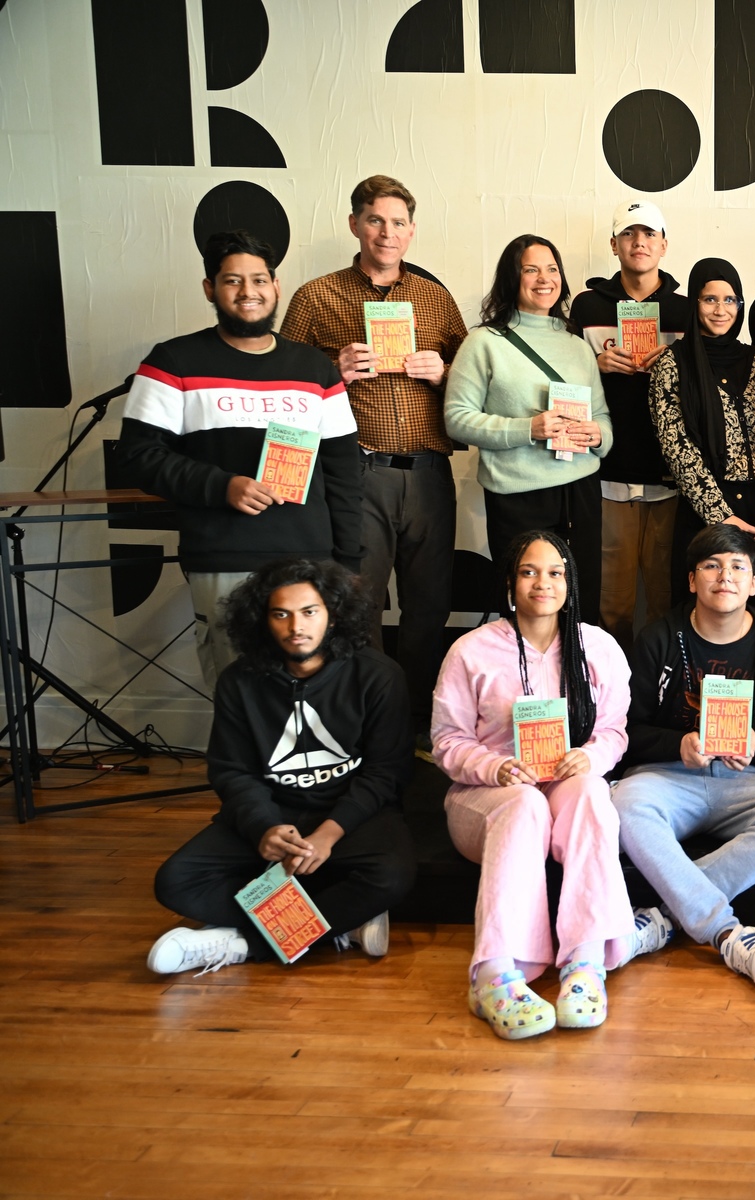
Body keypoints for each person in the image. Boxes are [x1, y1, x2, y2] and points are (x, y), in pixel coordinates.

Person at [432, 531, 663, 1040]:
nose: (543, 583)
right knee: (523, 807)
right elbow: (447, 741)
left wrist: (590, 756)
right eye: (529, 571)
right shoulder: (470, 651)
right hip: (486, 798)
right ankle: (495, 973)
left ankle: (585, 966)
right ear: (510, 583)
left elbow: (614, 732)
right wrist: (492, 768)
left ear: (570, 582)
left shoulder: (598, 648)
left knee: (591, 795)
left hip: (560, 785)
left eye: (555, 572)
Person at [120, 229, 362, 688]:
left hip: (310, 562)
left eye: (259, 280)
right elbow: (138, 456)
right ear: (210, 289)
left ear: (276, 286)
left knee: (317, 696)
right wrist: (221, 486)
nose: (248, 292)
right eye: (232, 281)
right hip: (223, 558)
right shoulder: (173, 361)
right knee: (239, 700)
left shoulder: (315, 369)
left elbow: (344, 474)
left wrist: (347, 564)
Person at [148, 559, 414, 975]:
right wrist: (263, 828)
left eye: (309, 612)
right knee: (175, 882)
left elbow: (386, 773)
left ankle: (240, 943)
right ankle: (340, 924)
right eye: (281, 614)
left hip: (349, 817)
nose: (296, 627)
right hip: (275, 814)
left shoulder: (379, 676)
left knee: (392, 876)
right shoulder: (239, 681)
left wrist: (329, 833)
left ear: (334, 614)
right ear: (262, 620)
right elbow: (231, 771)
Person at [281, 174, 468, 737]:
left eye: (399, 223)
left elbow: (476, 382)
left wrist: (446, 373)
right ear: (355, 225)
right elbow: (280, 381)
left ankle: (418, 728)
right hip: (358, 471)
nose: (388, 233)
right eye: (376, 220)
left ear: (412, 232)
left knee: (429, 609)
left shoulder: (435, 297)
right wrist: (328, 369)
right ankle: (357, 725)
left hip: (431, 473)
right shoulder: (317, 296)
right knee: (355, 607)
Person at [609, 525, 755, 991]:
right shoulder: (658, 638)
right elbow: (629, 732)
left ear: (754, 583)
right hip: (670, 775)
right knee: (622, 806)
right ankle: (725, 931)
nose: (725, 576)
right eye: (711, 565)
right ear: (691, 580)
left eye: (737, 566)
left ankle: (664, 916)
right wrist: (678, 744)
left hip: (747, 779)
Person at [444, 235, 610, 604]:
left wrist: (598, 435)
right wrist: (527, 429)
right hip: (516, 494)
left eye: (552, 269)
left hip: (579, 492)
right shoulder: (484, 342)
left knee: (580, 605)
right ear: (510, 278)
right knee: (528, 604)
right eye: (530, 269)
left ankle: (575, 664)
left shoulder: (577, 346)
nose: (544, 279)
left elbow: (602, 417)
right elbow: (456, 419)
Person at [567, 199, 693, 649]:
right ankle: (608, 699)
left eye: (649, 235)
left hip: (671, 477)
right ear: (614, 244)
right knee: (611, 604)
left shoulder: (685, 311)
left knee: (667, 601)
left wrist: (677, 361)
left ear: (664, 245)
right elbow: (558, 376)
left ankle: (659, 696)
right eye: (629, 234)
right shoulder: (585, 307)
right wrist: (592, 363)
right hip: (606, 474)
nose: (639, 243)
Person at [650, 258, 755, 633]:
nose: (721, 310)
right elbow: (677, 446)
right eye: (709, 300)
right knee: (708, 619)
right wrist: (719, 516)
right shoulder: (672, 365)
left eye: (730, 300)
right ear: (694, 303)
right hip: (705, 516)